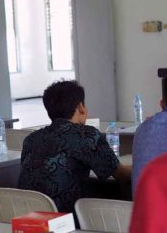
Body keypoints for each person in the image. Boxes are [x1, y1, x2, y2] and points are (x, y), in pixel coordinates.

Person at [18, 80, 131, 213]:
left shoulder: (31, 139)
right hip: (66, 218)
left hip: (29, 216)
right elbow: (122, 176)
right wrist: (142, 167)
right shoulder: (86, 135)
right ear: (80, 107)